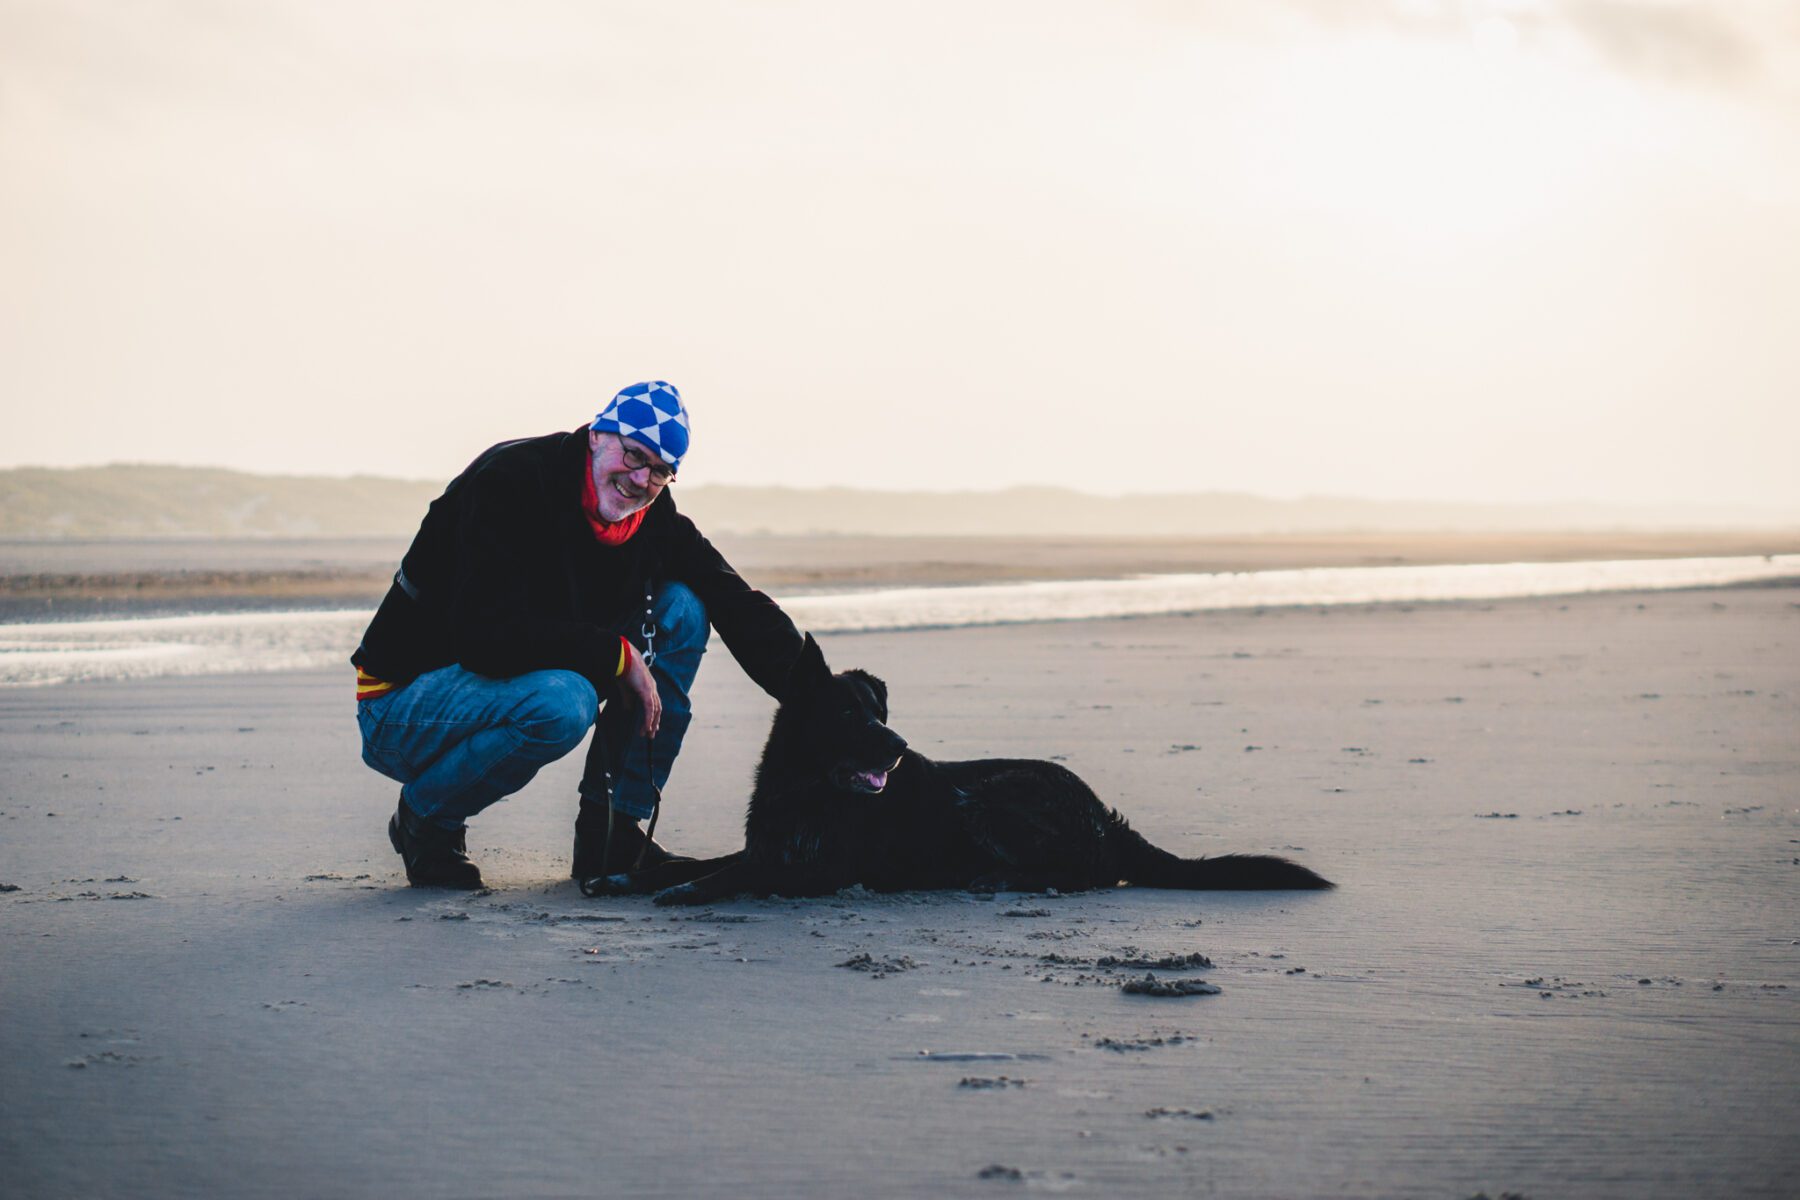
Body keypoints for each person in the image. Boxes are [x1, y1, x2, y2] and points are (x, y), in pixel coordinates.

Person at [350, 381, 807, 888]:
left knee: (685, 606)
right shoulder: (512, 480)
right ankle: (427, 820)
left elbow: (734, 599)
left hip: (500, 684)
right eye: (633, 454)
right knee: (564, 703)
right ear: (597, 434)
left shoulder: (653, 518)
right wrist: (615, 654)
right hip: (402, 704)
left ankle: (611, 832)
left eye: (659, 470)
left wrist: (815, 695)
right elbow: (485, 634)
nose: (639, 479)